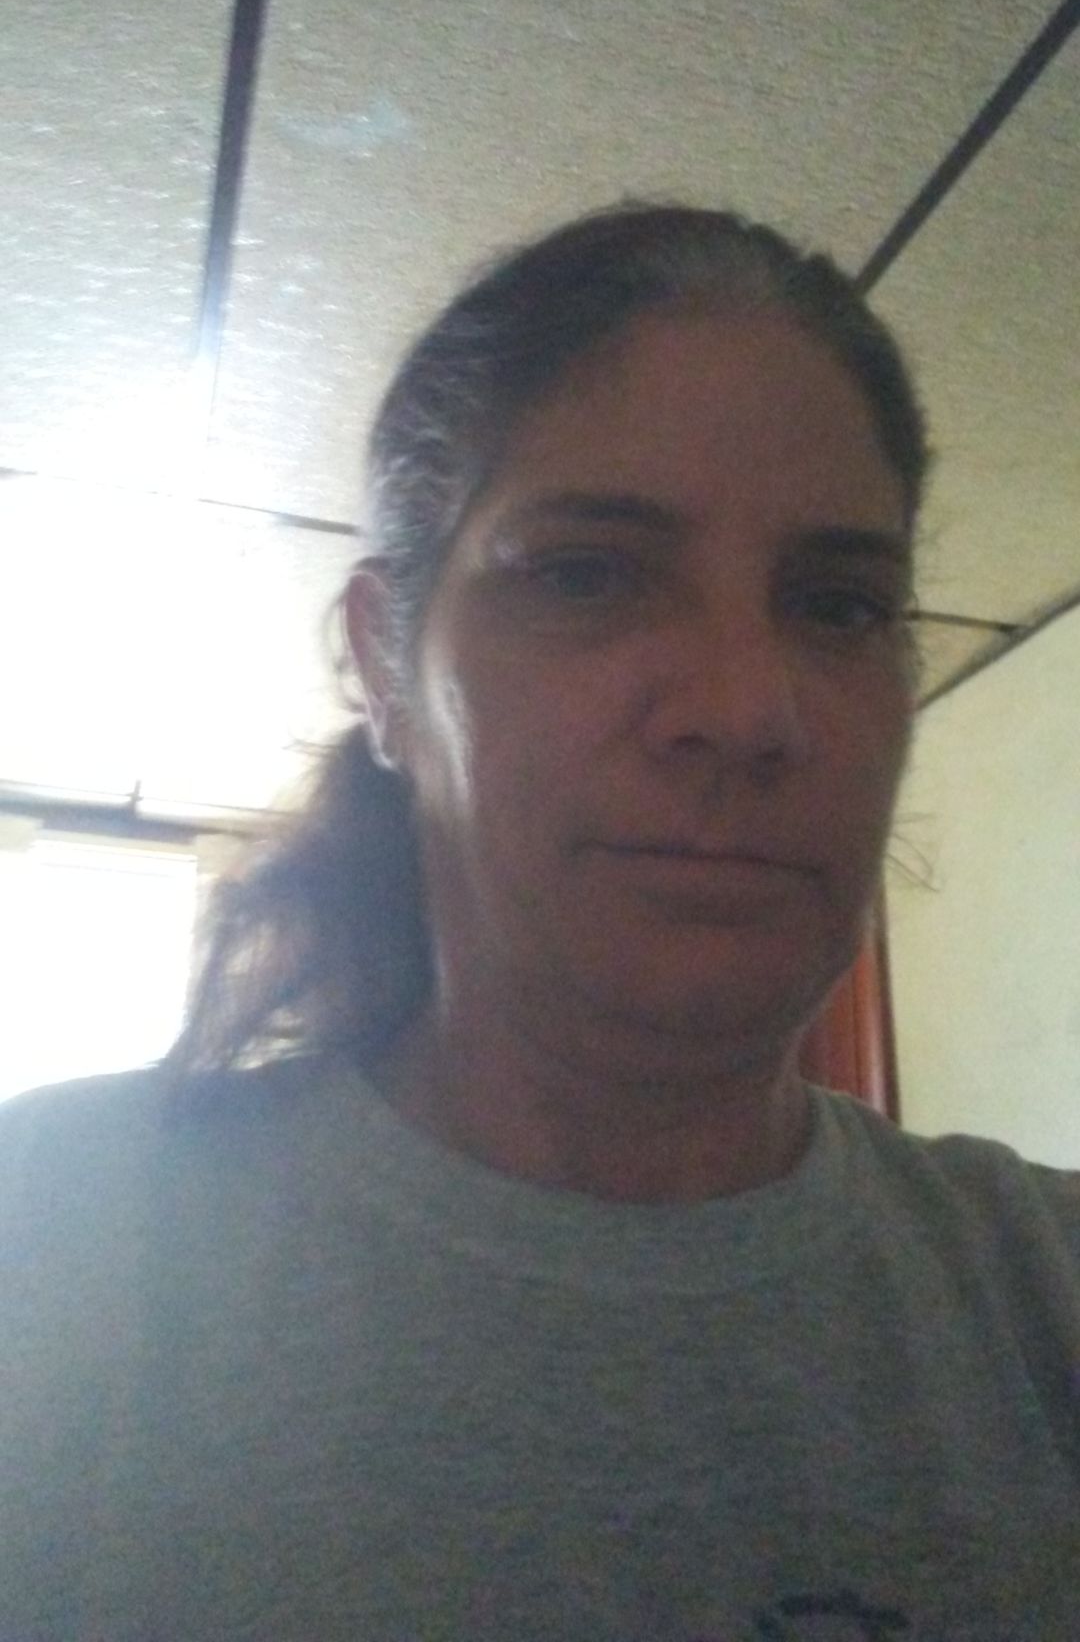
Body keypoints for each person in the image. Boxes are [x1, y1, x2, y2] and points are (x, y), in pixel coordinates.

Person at [1, 201, 1078, 1640]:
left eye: (837, 605)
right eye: (587, 574)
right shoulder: (46, 1249)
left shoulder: (1044, 1295)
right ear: (386, 665)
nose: (746, 710)